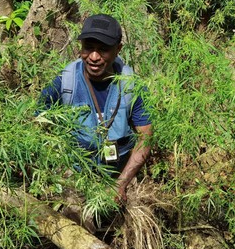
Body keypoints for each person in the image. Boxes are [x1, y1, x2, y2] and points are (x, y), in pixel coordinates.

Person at [38, 14, 152, 204]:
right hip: (74, 177)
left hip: (119, 175)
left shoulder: (132, 87)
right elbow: (37, 124)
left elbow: (145, 137)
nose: (94, 57)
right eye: (88, 48)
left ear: (118, 50)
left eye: (103, 50)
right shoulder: (65, 82)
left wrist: (120, 185)